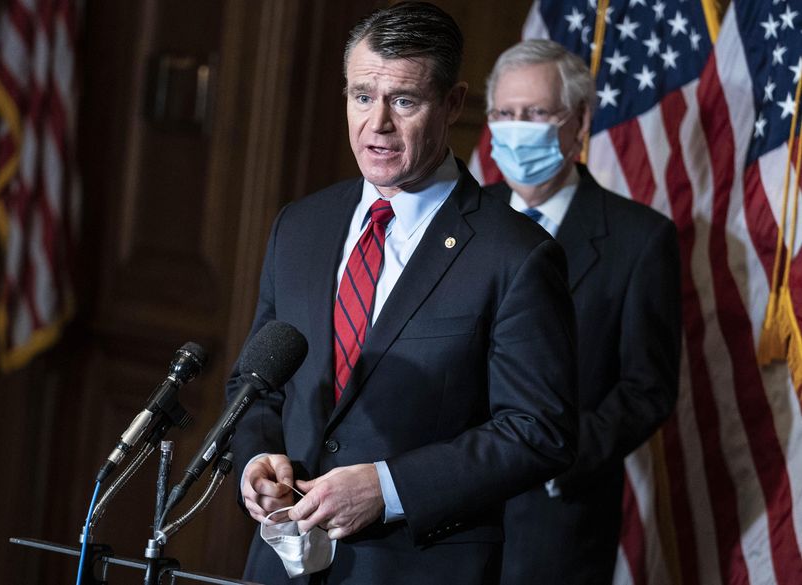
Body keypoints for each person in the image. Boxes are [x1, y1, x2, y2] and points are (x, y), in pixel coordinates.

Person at [226, 4, 579, 584]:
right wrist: (256, 460)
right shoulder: (301, 226)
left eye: (404, 101)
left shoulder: (515, 254)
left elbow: (538, 431)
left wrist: (389, 488)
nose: (378, 123)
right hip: (281, 565)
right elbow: (255, 383)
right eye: (362, 96)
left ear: (453, 104)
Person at [483, 39, 681, 584]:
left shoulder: (641, 240)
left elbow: (648, 389)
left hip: (556, 523)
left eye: (536, 113)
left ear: (580, 121)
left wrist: (556, 458)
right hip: (445, 517)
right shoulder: (462, 222)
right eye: (505, 114)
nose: (517, 127)